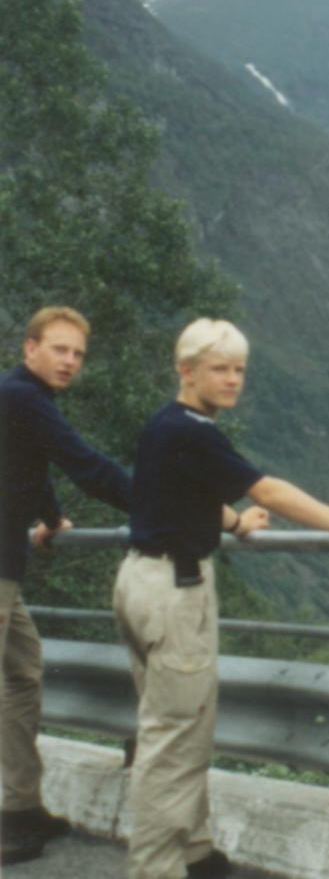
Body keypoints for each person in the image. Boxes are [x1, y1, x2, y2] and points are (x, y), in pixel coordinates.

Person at [114, 318, 329, 879]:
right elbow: (269, 488)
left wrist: (235, 521)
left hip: (139, 581)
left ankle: (194, 850)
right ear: (185, 370)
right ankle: (155, 868)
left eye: (239, 369)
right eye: (219, 368)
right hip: (175, 592)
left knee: (174, 725)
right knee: (173, 740)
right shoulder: (194, 430)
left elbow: (177, 492)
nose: (233, 379)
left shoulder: (164, 425)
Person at [0, 307, 133, 866]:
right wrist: (168, 505)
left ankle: (17, 805)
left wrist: (51, 517)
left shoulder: (22, 400)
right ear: (30, 348)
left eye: (77, 354)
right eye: (59, 349)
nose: (70, 362)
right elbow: (87, 466)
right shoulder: (23, 397)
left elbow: (30, 464)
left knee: (24, 673)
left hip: (7, 566)